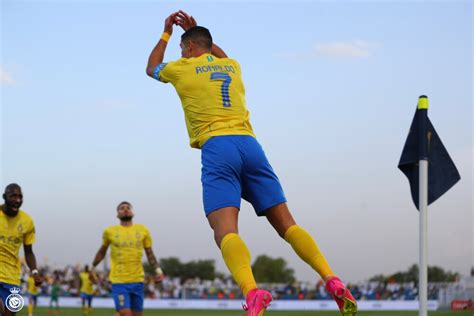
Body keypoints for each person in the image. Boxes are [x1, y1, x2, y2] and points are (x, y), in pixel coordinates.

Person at [146, 10, 358, 316]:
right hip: (251, 145)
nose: (181, 53)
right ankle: (332, 279)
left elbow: (152, 67)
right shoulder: (231, 66)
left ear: (190, 48)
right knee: (287, 224)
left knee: (225, 231)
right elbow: (219, 53)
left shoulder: (182, 68)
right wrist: (201, 35)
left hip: (218, 147)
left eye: (183, 48)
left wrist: (167, 32)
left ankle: (252, 291)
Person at [90, 201, 164, 316]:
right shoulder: (110, 231)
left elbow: (149, 253)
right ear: (117, 214)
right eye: (121, 208)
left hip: (138, 280)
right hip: (119, 281)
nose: (125, 209)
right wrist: (92, 268)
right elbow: (102, 252)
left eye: (128, 207)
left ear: (132, 212)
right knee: (125, 313)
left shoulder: (143, 230)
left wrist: (158, 270)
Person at [0, 183, 42, 316]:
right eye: (13, 196)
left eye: (20, 197)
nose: (17, 200)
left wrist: (34, 272)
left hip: (12, 276)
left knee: (10, 312)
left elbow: (28, 252)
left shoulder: (27, 221)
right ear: (4, 197)